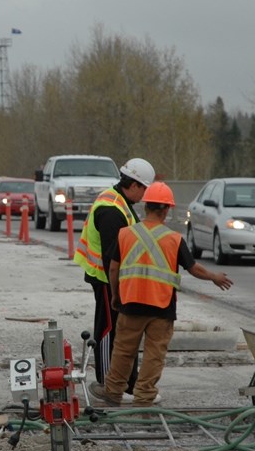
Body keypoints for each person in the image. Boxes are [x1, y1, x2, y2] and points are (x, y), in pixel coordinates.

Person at [90, 182, 233, 407]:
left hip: (130, 304)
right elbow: (194, 268)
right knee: (154, 355)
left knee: (123, 351)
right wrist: (214, 277)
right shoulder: (174, 239)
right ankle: (144, 397)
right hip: (162, 307)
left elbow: (114, 268)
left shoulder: (125, 234)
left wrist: (115, 296)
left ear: (145, 206)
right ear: (166, 209)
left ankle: (113, 392)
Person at [73, 157, 156, 404]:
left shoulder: (120, 201)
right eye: (145, 189)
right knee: (109, 330)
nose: (145, 195)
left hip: (117, 280)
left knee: (123, 331)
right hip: (107, 280)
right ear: (135, 185)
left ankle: (127, 381)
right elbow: (113, 257)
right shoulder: (111, 210)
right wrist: (119, 290)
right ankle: (108, 383)